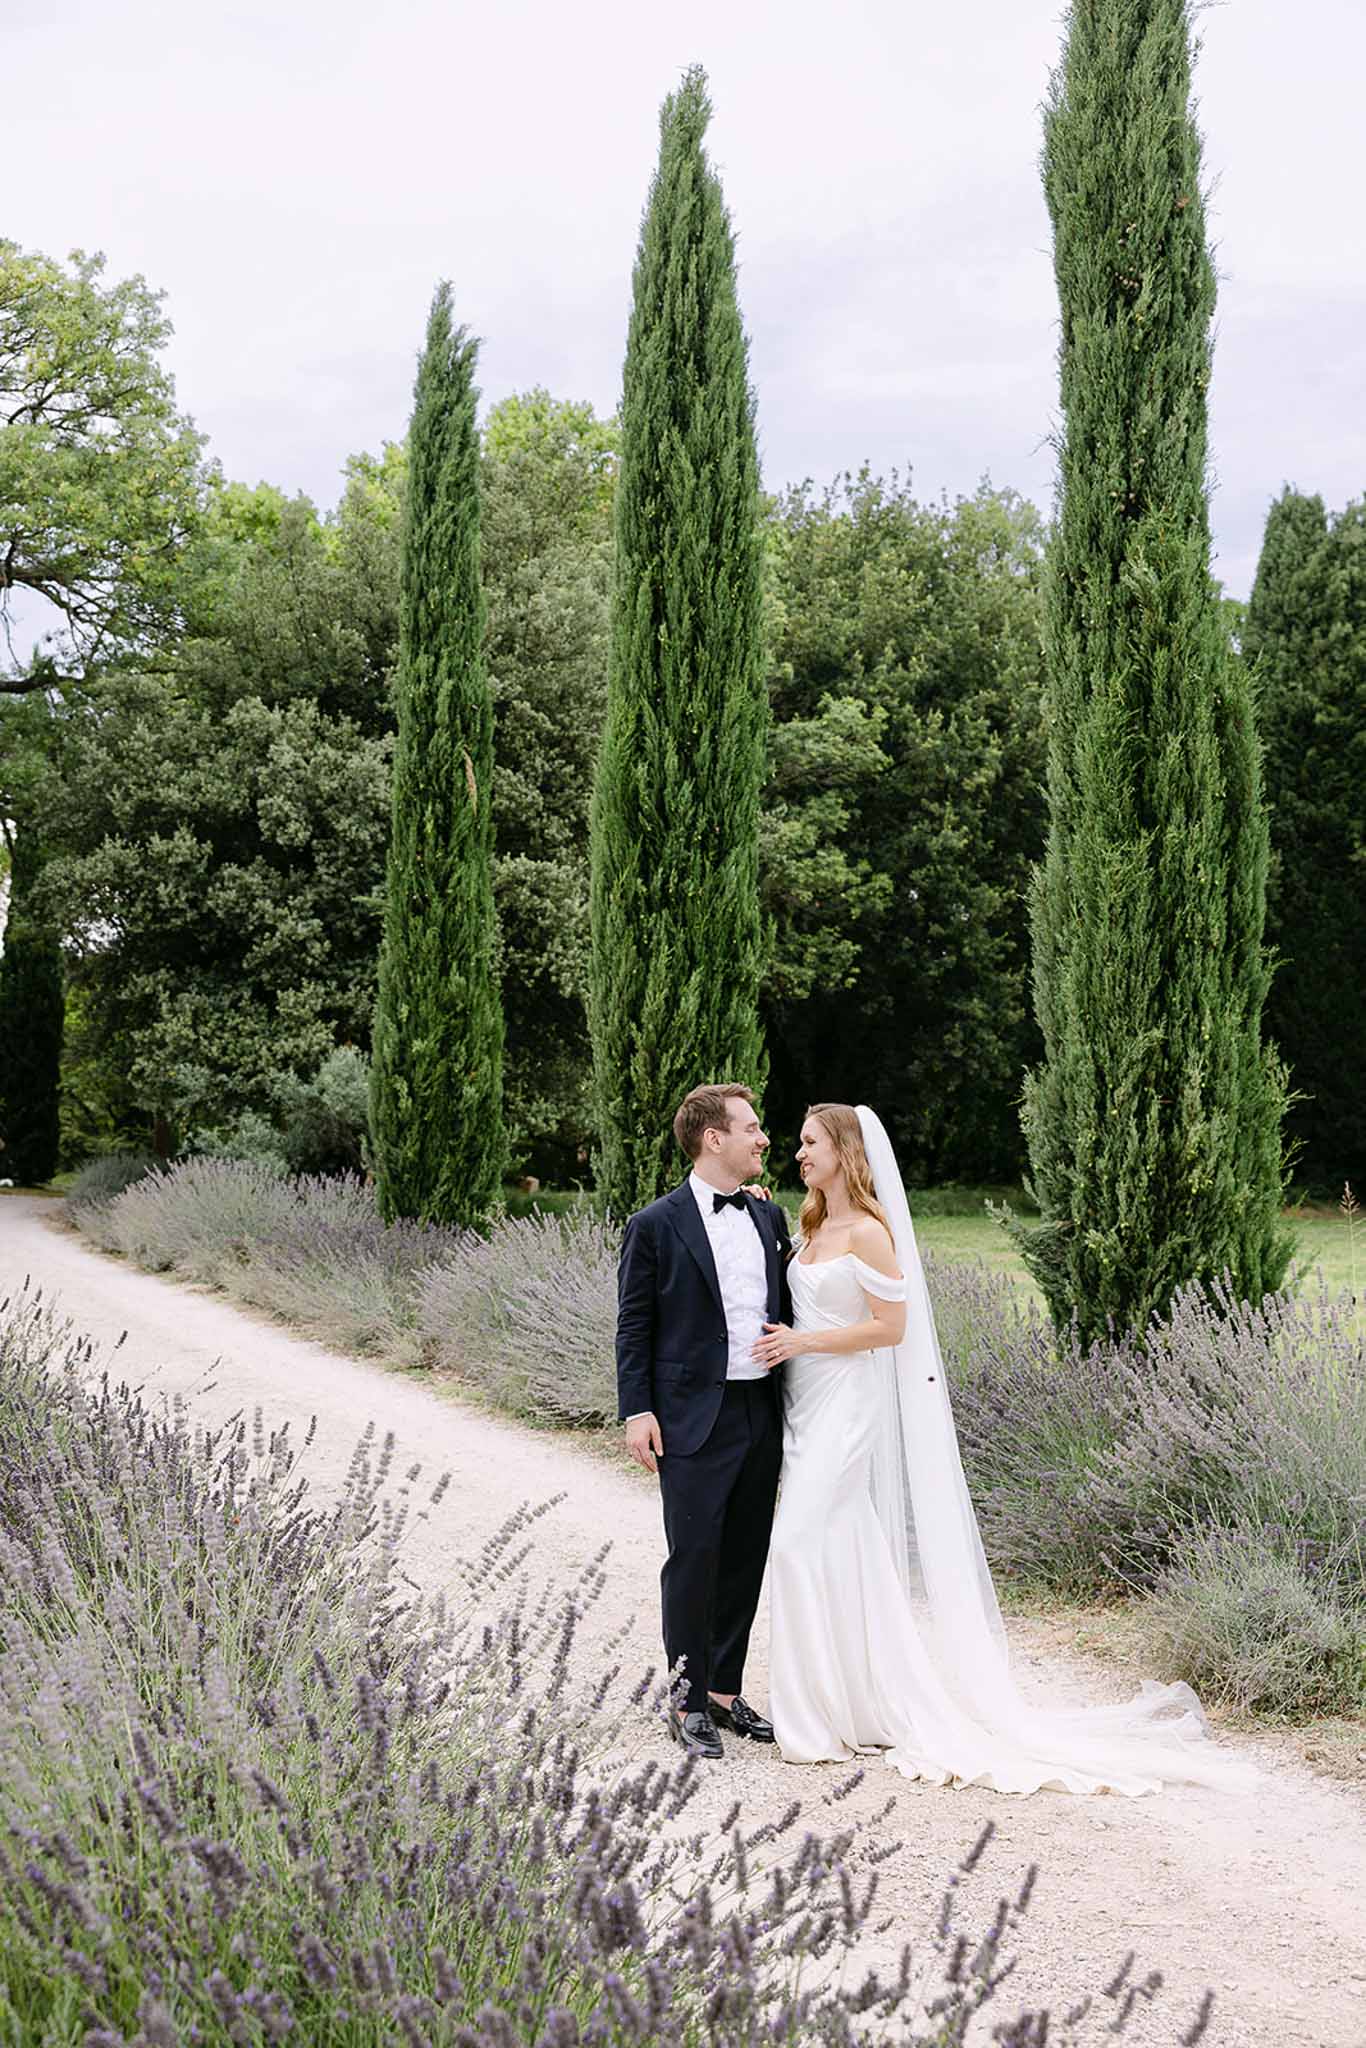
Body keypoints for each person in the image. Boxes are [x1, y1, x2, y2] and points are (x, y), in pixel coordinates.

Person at [749, 1102, 1255, 1797]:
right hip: (803, 1403)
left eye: (811, 1143)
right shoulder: (809, 1225)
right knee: (842, 1540)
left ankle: (811, 1719)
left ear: (844, 1150)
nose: (799, 1153)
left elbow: (891, 1328)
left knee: (795, 1543)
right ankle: (855, 1703)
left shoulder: (868, 1231)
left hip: (844, 1402)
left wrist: (804, 1341)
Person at [615, 1083, 792, 1759]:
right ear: (714, 1139)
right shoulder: (654, 1224)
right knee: (693, 1557)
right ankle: (686, 1700)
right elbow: (634, 1325)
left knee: (746, 1554)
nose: (763, 1139)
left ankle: (723, 1691)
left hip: (759, 1410)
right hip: (690, 1417)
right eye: (751, 1128)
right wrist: (638, 1409)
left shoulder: (767, 1216)